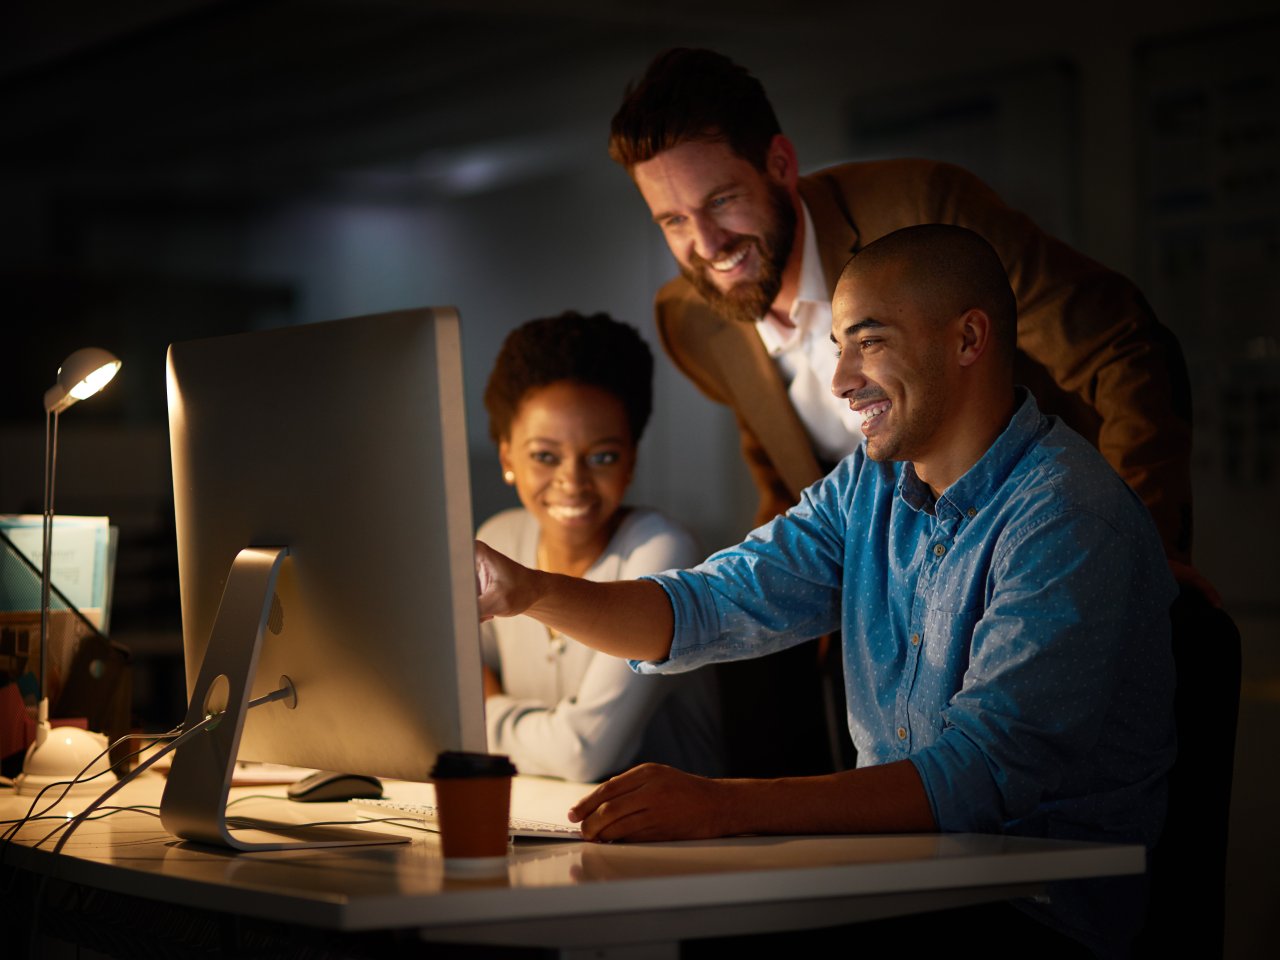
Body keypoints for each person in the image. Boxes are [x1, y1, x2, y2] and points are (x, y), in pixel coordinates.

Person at [475, 227, 1177, 956]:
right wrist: (524, 591)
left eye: (867, 343)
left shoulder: (1066, 515)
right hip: (896, 887)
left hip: (1033, 916)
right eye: (838, 346)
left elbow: (978, 779)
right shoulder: (866, 487)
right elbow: (709, 605)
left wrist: (724, 806)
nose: (840, 380)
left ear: (968, 338)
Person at [608, 47, 1204, 592]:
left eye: (720, 201)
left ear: (780, 164)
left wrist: (1140, 554)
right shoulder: (690, 321)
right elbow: (783, 476)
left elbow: (1121, 349)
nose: (706, 244)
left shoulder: (925, 210)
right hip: (890, 619)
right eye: (673, 221)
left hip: (1046, 550)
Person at [477, 310, 723, 783]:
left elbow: (583, 755)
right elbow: (441, 697)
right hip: (538, 827)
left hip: (679, 847)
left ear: (631, 459)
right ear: (507, 456)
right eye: (545, 456)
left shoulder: (662, 551)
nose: (573, 481)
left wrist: (479, 717)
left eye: (602, 456)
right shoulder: (500, 540)